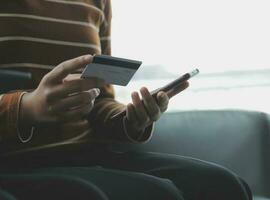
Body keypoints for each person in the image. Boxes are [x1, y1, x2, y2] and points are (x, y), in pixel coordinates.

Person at [0, 0, 252, 199]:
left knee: (222, 185)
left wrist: (130, 119)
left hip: (85, 153)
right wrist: (26, 109)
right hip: (15, 161)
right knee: (155, 193)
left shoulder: (94, 2)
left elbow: (99, 98)